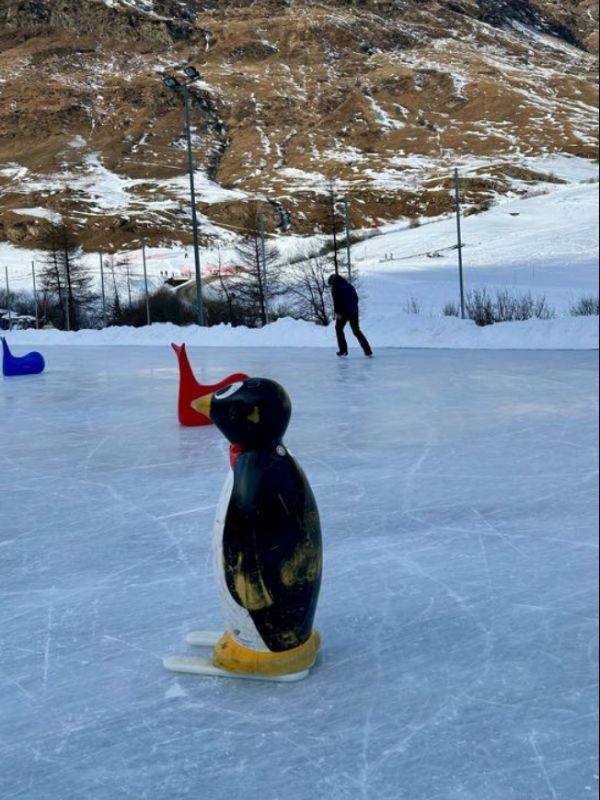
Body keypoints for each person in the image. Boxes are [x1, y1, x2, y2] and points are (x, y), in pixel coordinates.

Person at [327, 273, 373, 358]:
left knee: (338, 328)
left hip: (343, 312)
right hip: (354, 311)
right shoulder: (349, 286)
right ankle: (368, 350)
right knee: (356, 331)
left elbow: (336, 301)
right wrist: (353, 307)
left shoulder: (335, 287)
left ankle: (343, 350)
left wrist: (337, 312)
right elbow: (356, 298)